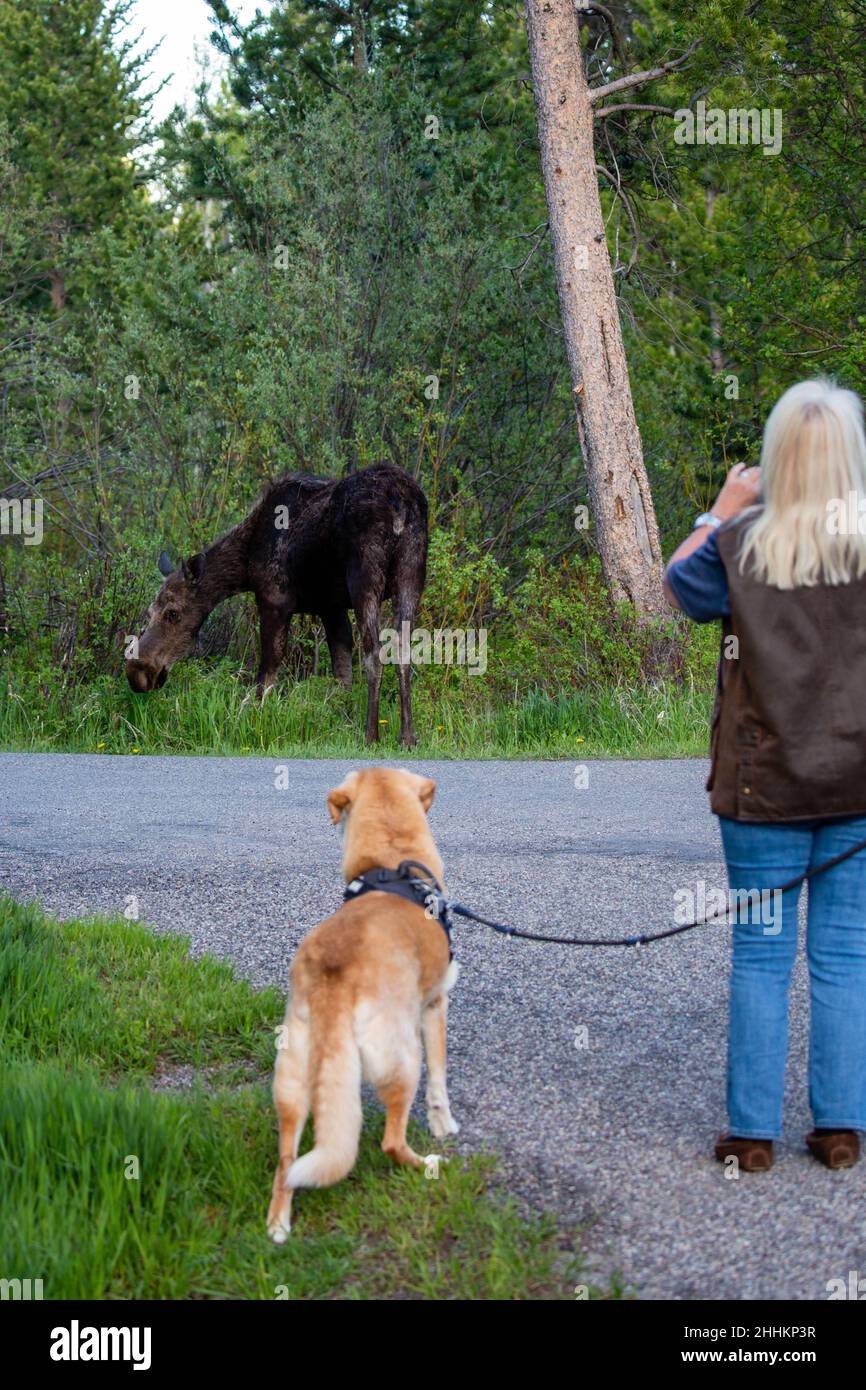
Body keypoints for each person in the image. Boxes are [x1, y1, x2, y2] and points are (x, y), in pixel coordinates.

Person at [665, 378, 866, 1171]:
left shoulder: (739, 544)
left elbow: (679, 585)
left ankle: (751, 1135)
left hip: (761, 788)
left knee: (760, 951)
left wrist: (721, 503)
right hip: (857, 786)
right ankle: (841, 1127)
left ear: (778, 459)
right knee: (846, 956)